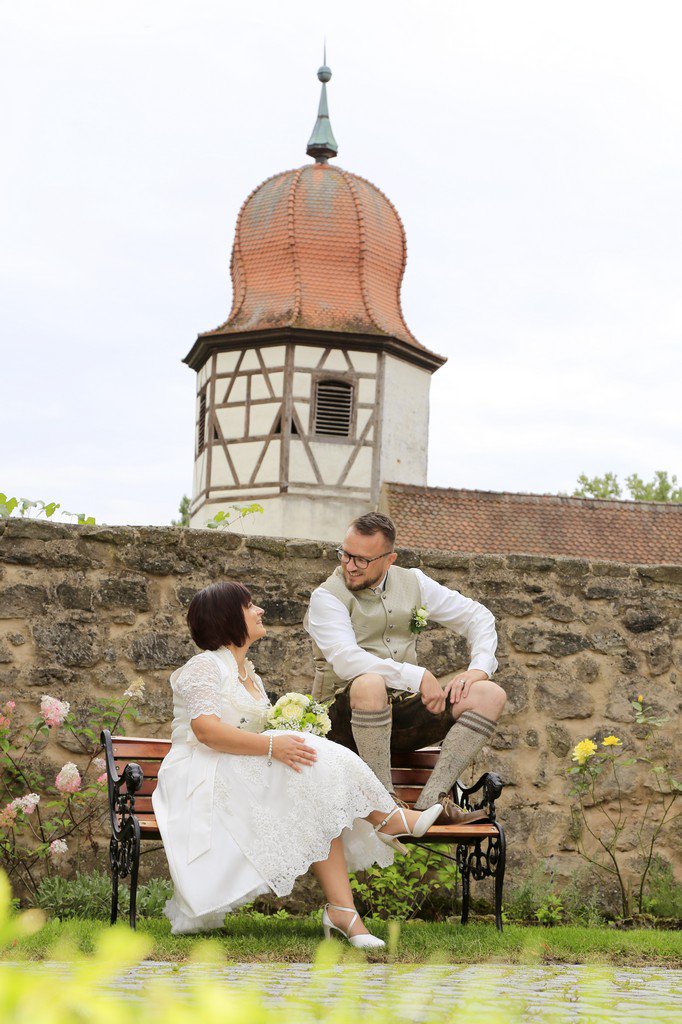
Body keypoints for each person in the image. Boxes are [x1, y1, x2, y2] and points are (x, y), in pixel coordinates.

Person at [152, 581, 442, 940]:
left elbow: (259, 735)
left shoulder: (249, 674)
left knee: (316, 793)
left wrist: (288, 736)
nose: (260, 610)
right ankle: (388, 819)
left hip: (237, 766)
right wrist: (273, 746)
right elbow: (206, 730)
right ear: (227, 617)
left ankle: (344, 912)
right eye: (249, 606)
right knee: (309, 768)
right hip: (201, 772)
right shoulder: (204, 667)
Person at [304, 512, 507, 824]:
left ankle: (432, 803)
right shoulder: (327, 597)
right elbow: (346, 659)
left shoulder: (413, 582)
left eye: (362, 559)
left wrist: (478, 669)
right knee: (370, 683)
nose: (350, 565)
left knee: (489, 694)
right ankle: (385, 806)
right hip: (341, 720)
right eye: (345, 554)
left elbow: (477, 616)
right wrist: (417, 675)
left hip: (400, 717)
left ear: (389, 559)